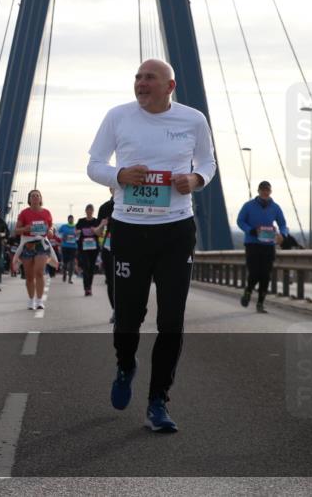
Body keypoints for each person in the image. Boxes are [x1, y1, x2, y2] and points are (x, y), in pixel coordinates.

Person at [87, 58, 217, 433]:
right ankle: (126, 364)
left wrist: (195, 179)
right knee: (128, 318)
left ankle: (157, 401)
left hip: (176, 230)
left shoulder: (193, 120)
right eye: (138, 77)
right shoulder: (118, 117)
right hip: (129, 229)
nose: (141, 84)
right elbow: (94, 164)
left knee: (171, 321)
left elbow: (208, 162)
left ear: (169, 86)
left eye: (149, 78)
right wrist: (118, 175)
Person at [236, 180, 288, 313]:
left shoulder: (275, 207)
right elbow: (240, 221)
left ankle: (260, 303)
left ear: (270, 192)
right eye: (262, 190)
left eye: (267, 190)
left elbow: (282, 223)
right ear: (258, 191)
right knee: (254, 273)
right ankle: (248, 291)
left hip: (268, 245)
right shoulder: (248, 206)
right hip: (252, 244)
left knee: (265, 276)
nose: (265, 192)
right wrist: (251, 230)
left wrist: (283, 234)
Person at [13, 190, 53, 309]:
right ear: (29, 200)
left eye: (37, 195)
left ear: (40, 199)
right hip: (28, 244)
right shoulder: (24, 213)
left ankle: (39, 300)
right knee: (29, 276)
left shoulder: (46, 213)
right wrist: (26, 228)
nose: (35, 197)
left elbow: (51, 226)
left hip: (41, 244)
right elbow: (16, 230)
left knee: (39, 272)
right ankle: (31, 300)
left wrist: (51, 231)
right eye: (32, 196)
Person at [96, 192, 116, 321]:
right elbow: (97, 232)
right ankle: (116, 310)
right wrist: (103, 224)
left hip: (129, 248)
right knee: (111, 282)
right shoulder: (105, 207)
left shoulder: (131, 202)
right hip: (109, 249)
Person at [75, 203, 101, 296]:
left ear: (93, 211)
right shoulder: (81, 221)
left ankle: (89, 286)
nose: (89, 212)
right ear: (86, 211)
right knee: (86, 267)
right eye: (88, 210)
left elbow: (100, 233)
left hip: (94, 248)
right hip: (84, 248)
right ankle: (86, 288)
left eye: (91, 210)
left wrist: (95, 230)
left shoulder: (96, 221)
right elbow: (76, 232)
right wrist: (81, 231)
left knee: (91, 268)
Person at [58, 215, 78, 283]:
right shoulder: (64, 226)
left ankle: (70, 278)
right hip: (65, 246)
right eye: (70, 219)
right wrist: (62, 237)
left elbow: (79, 235)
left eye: (72, 219)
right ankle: (64, 274)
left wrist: (77, 236)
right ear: (68, 219)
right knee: (65, 263)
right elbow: (58, 233)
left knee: (72, 263)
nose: (71, 220)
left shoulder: (76, 227)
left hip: (73, 247)